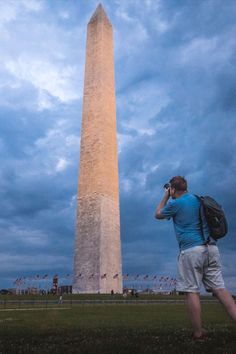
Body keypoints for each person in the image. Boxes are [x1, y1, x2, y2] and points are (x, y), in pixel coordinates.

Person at [155, 176, 236, 340]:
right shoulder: (199, 199)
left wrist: (166, 195)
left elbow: (157, 214)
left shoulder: (175, 203)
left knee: (192, 291)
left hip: (191, 251)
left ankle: (199, 332)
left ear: (173, 189)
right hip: (211, 248)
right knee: (220, 289)